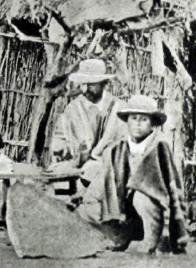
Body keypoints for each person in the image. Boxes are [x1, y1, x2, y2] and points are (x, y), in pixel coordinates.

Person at [77, 95, 188, 255]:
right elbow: (107, 177)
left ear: (153, 124)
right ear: (127, 121)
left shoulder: (159, 148)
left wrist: (174, 228)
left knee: (141, 199)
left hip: (151, 205)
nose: (137, 124)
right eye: (133, 118)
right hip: (124, 206)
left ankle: (152, 240)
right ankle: (119, 235)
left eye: (143, 119)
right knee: (88, 206)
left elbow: (173, 187)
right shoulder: (118, 148)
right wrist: (93, 194)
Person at [50, 58, 127, 186]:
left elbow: (125, 144)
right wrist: (67, 150)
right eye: (83, 84)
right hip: (76, 168)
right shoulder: (72, 109)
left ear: (104, 83)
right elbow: (60, 138)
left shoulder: (120, 109)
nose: (85, 89)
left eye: (91, 84)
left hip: (109, 170)